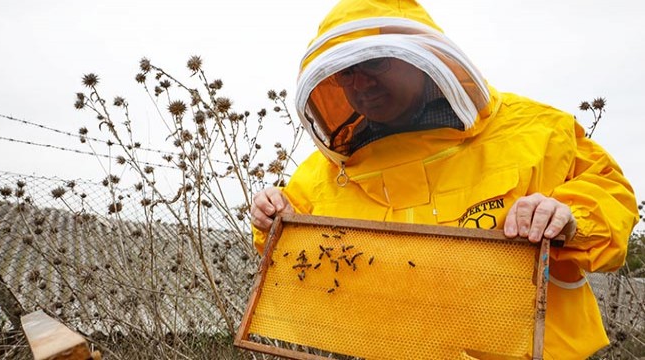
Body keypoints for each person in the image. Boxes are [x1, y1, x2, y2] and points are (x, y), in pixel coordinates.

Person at [250, 0, 638, 358]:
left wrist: (567, 216)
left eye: (376, 64)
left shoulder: (538, 132)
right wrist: (272, 215)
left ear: (420, 58)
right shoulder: (327, 170)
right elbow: (288, 242)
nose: (361, 84)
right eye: (347, 73)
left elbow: (613, 199)